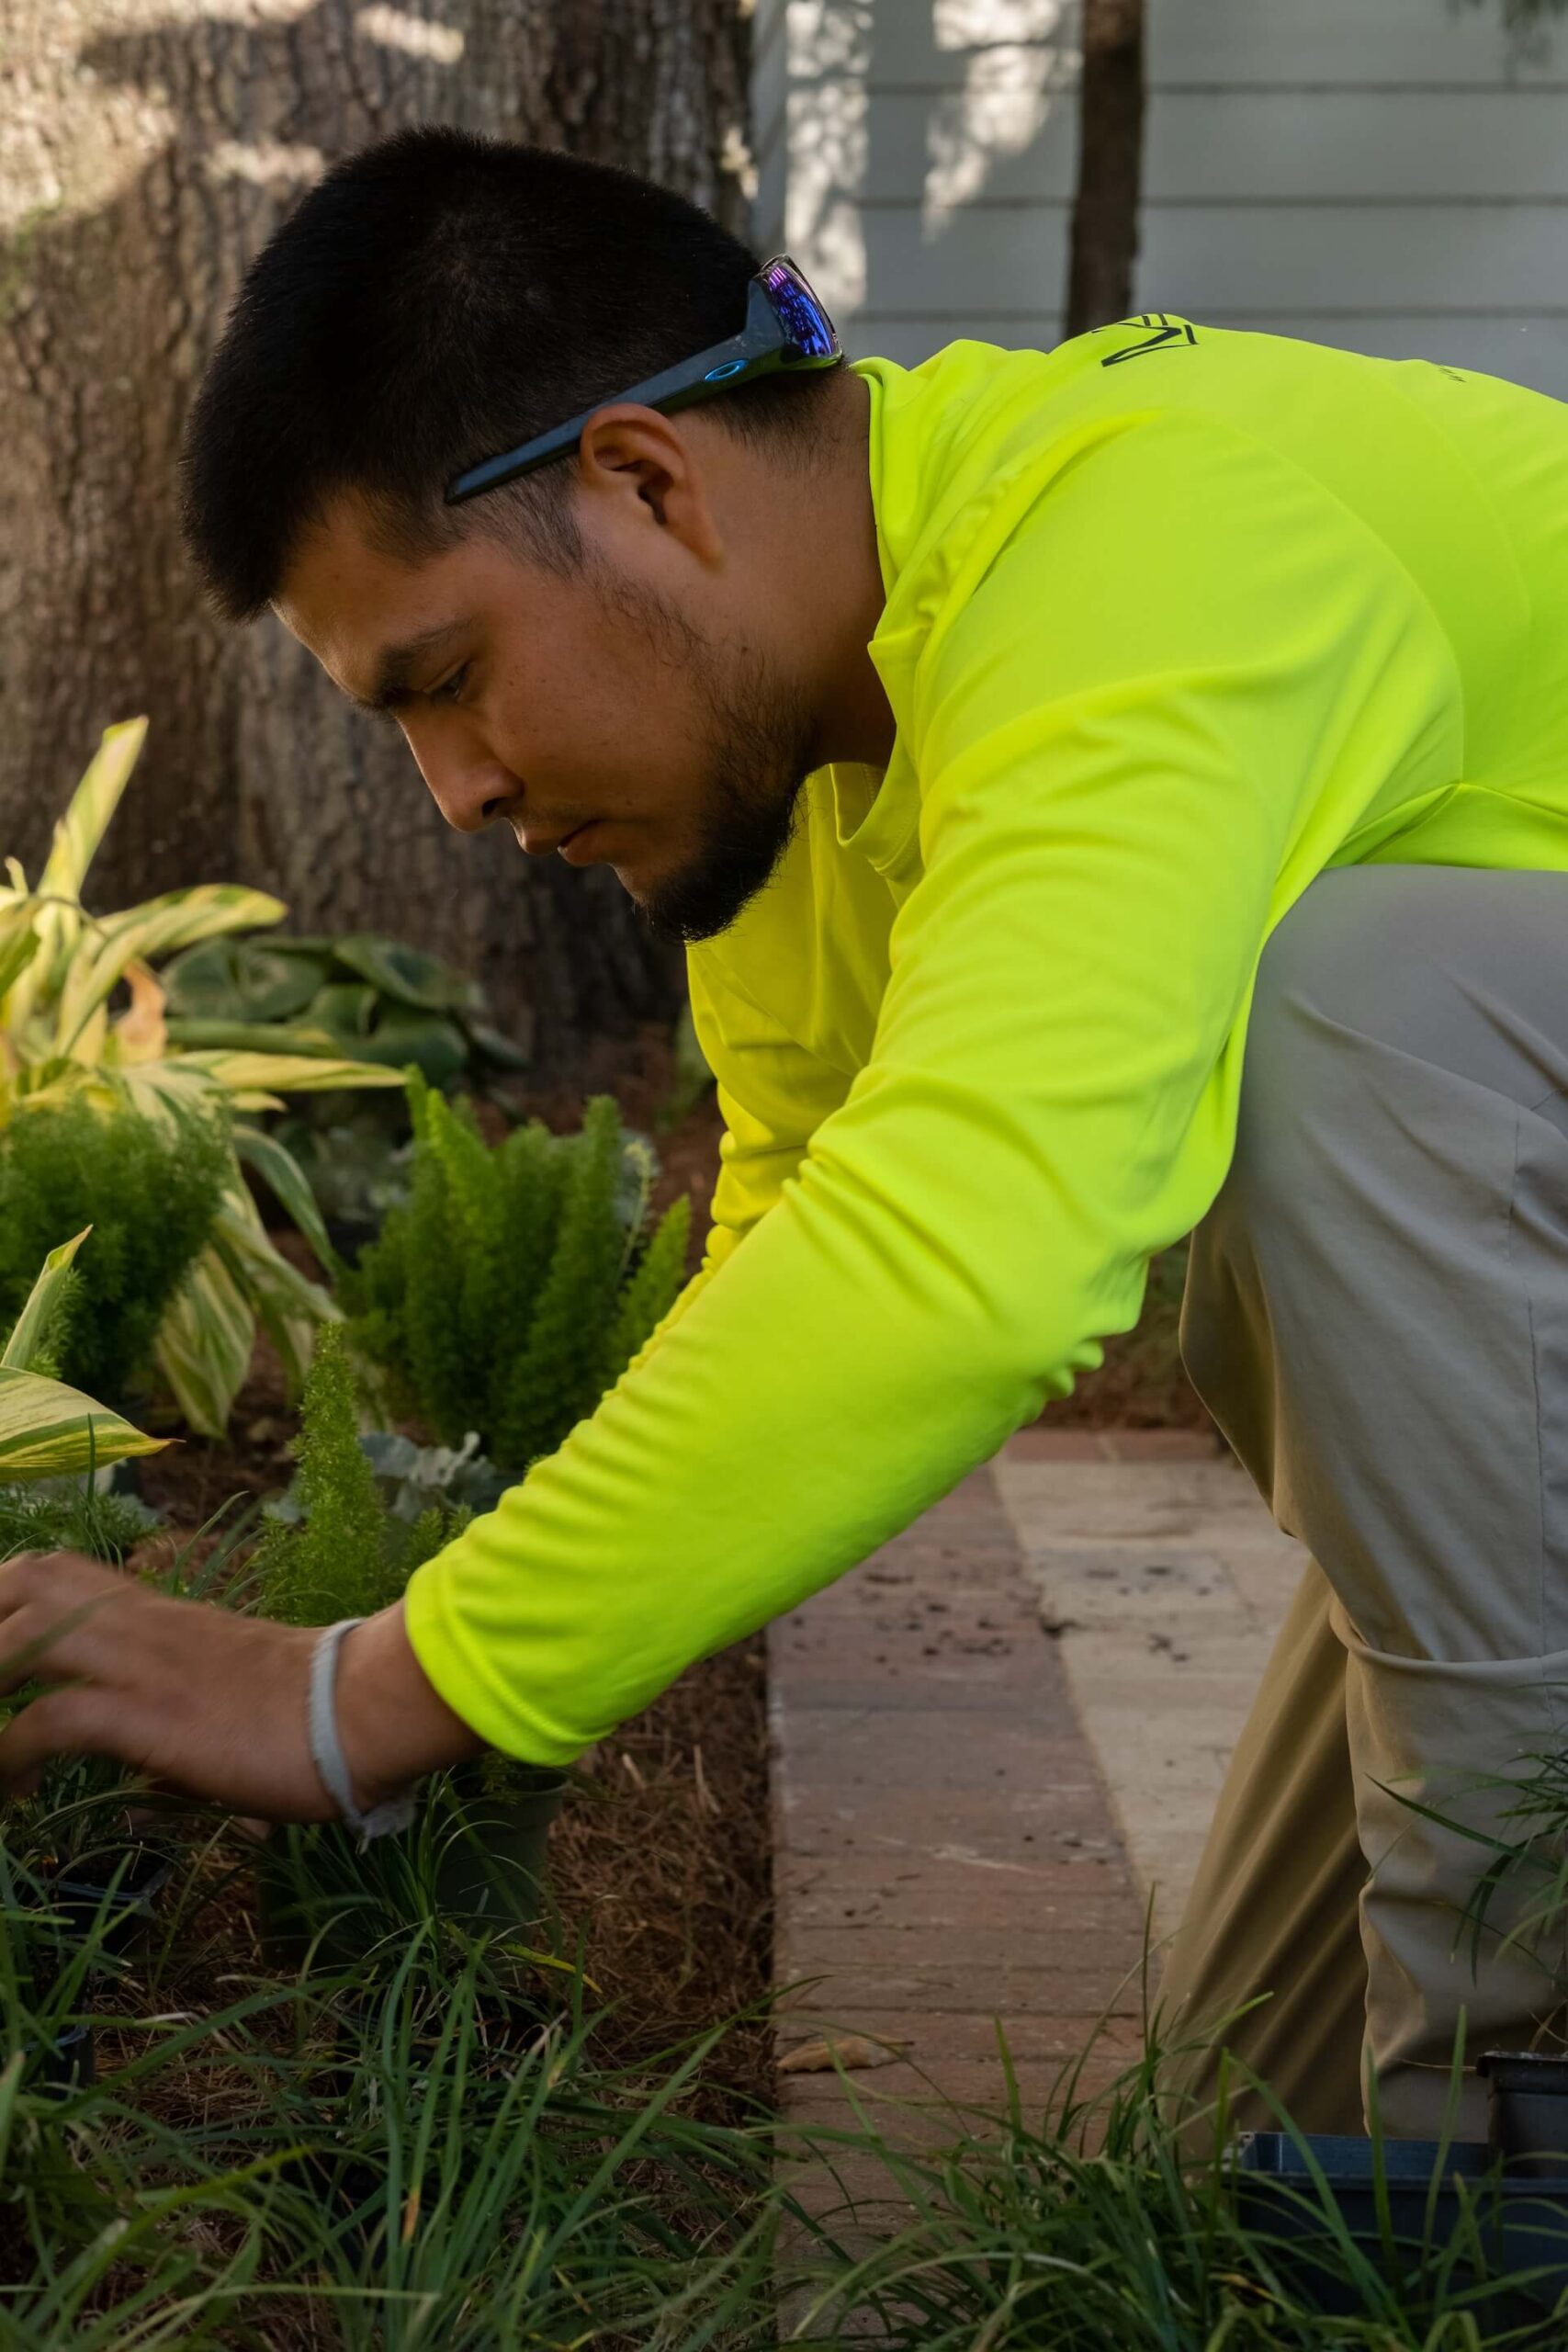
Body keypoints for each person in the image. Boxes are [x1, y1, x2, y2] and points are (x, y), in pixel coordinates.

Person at [7, 125, 1568, 2142]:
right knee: (1239, 2151)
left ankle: (1528, 2127)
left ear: (645, 482)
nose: (453, 796)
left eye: (452, 680)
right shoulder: (810, 774)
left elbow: (974, 1252)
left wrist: (361, 1690)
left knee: (1359, 1006)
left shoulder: (1142, 543)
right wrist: (518, 1664)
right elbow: (811, 1247)